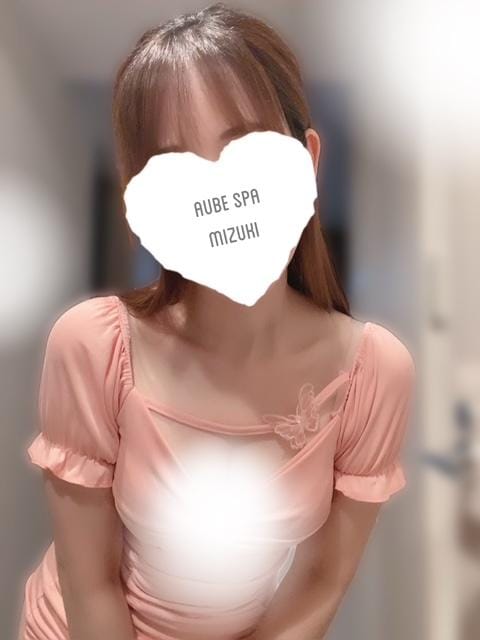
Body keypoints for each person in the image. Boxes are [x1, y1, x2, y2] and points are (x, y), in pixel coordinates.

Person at [19, 3, 416, 639]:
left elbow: (323, 578)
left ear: (307, 160)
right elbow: (89, 582)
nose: (219, 192)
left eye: (243, 147)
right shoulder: (93, 344)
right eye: (175, 163)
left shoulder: (374, 371)